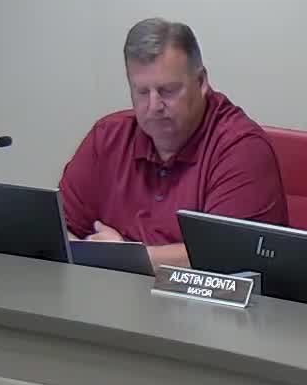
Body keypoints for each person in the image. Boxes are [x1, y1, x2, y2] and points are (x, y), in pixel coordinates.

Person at [59, 18, 288, 269]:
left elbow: (227, 256)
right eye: (142, 92)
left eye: (167, 90)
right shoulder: (107, 137)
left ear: (201, 82)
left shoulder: (242, 149)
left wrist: (121, 258)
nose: (154, 106)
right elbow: (58, 231)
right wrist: (86, 254)